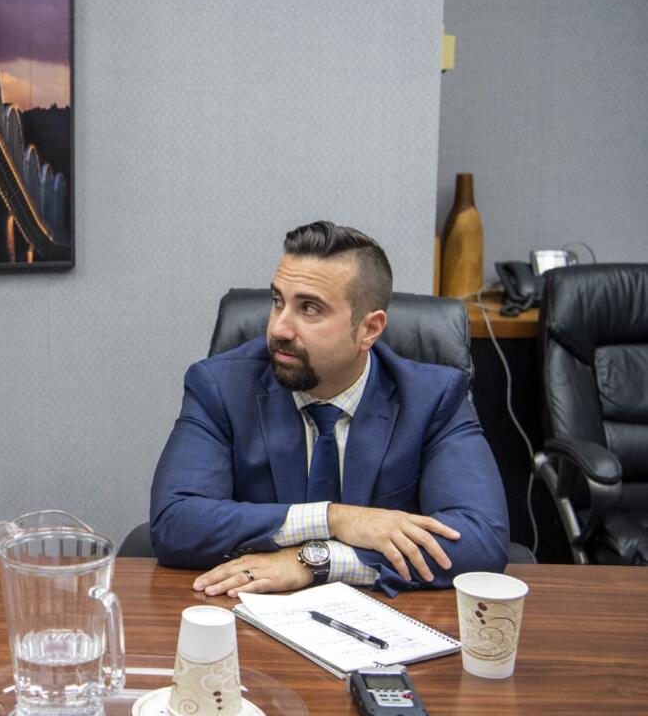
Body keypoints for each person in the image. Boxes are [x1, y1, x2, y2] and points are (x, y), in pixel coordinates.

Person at [150, 221, 509, 596]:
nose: (279, 328)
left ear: (369, 329)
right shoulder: (220, 387)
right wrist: (333, 519)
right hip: (245, 615)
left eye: (309, 309)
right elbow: (174, 522)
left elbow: (481, 540)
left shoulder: (433, 398)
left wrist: (318, 561)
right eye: (278, 301)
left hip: (383, 628)